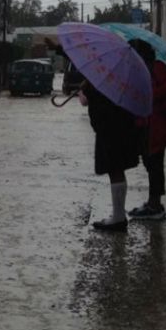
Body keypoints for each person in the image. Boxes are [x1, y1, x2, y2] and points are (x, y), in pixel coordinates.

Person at [44, 36, 143, 232]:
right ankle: (118, 214)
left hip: (110, 128)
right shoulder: (120, 71)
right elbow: (83, 59)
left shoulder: (111, 74)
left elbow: (99, 97)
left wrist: (88, 89)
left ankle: (118, 217)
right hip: (115, 127)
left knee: (115, 168)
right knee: (116, 169)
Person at [127, 39, 166, 221]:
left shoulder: (157, 68)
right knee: (150, 164)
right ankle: (153, 202)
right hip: (145, 124)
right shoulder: (141, 70)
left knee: (155, 164)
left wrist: (149, 93)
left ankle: (155, 205)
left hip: (157, 127)